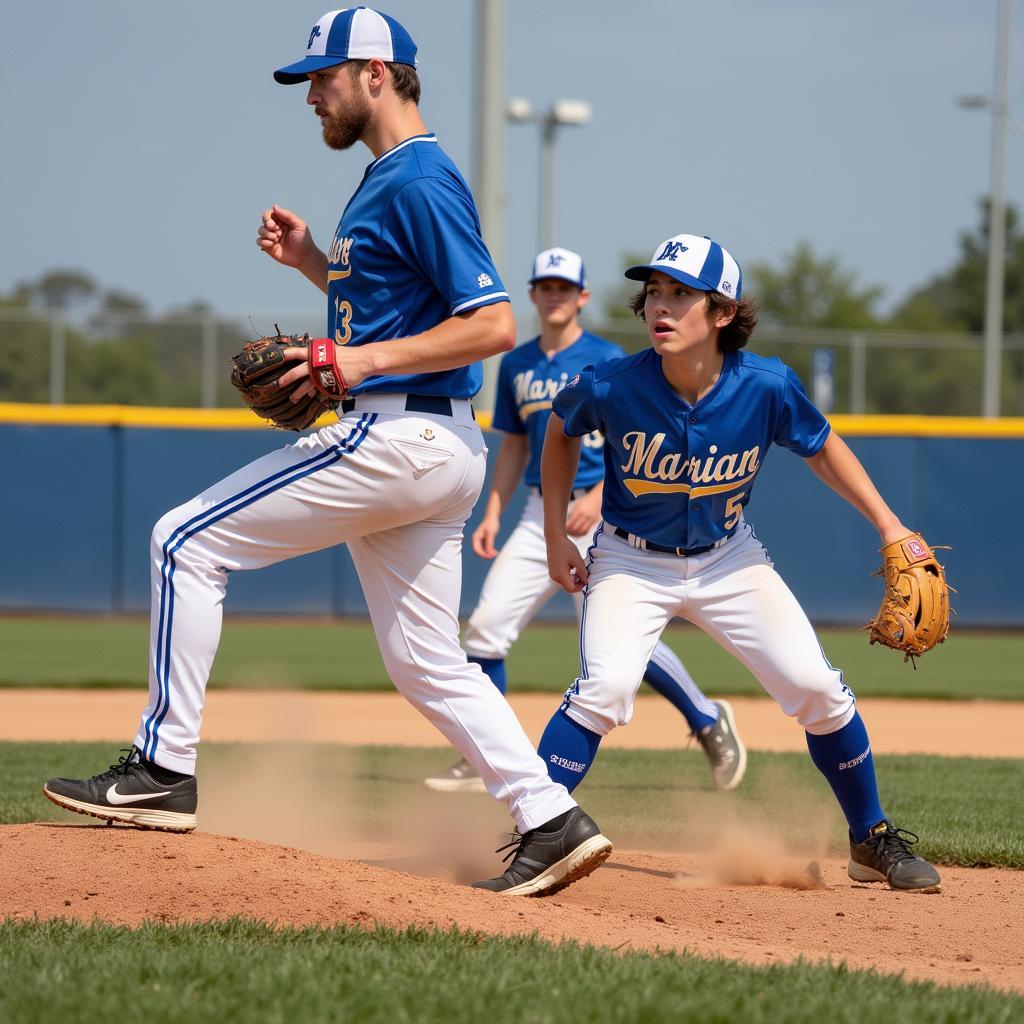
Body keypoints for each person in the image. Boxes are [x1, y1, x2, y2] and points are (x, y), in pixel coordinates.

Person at [42, 7, 612, 898]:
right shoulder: (388, 179)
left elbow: (494, 324)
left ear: (376, 76)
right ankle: (550, 815)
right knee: (425, 661)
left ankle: (162, 768)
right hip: (430, 441)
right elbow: (404, 309)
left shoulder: (418, 178)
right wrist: (316, 261)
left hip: (397, 432)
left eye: (325, 76)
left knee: (184, 542)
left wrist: (353, 361)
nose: (312, 94)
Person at [535, 233, 941, 892]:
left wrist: (890, 524)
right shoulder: (612, 384)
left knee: (816, 688)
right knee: (606, 689)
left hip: (729, 559)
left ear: (722, 313)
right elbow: (560, 429)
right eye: (654, 294)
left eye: (681, 294)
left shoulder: (766, 386)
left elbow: (822, 447)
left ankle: (870, 839)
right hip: (631, 562)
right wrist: (556, 534)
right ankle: (535, 827)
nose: (660, 307)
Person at [424, 247, 745, 794]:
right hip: (539, 510)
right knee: (485, 627)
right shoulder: (519, 364)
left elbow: (644, 441)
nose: (555, 295)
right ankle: (484, 754)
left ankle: (707, 720)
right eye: (545, 287)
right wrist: (494, 510)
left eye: (564, 288)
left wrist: (598, 493)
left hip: (610, 510)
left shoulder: (607, 356)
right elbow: (515, 445)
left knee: (616, 647)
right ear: (531, 294)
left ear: (582, 297)